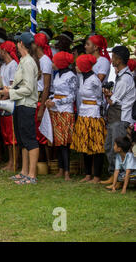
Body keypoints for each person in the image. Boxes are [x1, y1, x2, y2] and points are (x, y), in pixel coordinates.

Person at [0, 32, 40, 185]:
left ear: (21, 44)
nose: (16, 45)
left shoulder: (28, 62)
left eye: (17, 43)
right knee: (22, 140)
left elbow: (28, 89)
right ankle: (24, 172)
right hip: (20, 103)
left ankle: (32, 174)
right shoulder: (23, 61)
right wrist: (10, 88)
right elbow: (21, 84)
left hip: (27, 104)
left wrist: (10, 92)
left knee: (30, 140)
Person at [102, 46, 136, 184]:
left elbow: (114, 101)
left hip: (121, 117)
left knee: (117, 148)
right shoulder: (120, 76)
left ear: (119, 59)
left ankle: (120, 177)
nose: (111, 59)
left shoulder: (125, 79)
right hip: (116, 116)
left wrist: (107, 96)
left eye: (113, 57)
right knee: (109, 147)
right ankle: (113, 175)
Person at [71, 54, 106, 183]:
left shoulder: (94, 80)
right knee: (84, 143)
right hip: (83, 112)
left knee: (96, 145)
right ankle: (87, 174)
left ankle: (96, 176)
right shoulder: (81, 77)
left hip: (93, 114)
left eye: (78, 65)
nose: (75, 67)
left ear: (84, 66)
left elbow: (99, 98)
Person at [45, 52, 77, 181]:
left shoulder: (71, 76)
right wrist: (50, 99)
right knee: (58, 142)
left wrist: (57, 101)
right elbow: (56, 92)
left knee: (64, 143)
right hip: (55, 109)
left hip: (65, 110)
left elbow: (72, 96)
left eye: (54, 61)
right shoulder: (57, 75)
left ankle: (67, 171)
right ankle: (60, 169)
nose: (52, 64)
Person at [0, 41, 19, 171]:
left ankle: (15, 162)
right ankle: (10, 161)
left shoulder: (13, 65)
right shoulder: (3, 66)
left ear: (4, 50)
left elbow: (13, 86)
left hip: (10, 100)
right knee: (6, 133)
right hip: (3, 99)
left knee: (12, 134)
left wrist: (3, 99)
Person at [34, 33, 53, 155]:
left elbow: (46, 86)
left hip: (41, 98)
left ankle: (47, 160)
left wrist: (42, 108)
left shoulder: (45, 61)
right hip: (36, 97)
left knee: (42, 131)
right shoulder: (37, 60)